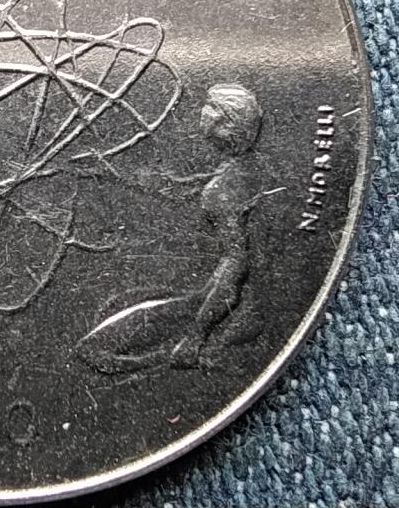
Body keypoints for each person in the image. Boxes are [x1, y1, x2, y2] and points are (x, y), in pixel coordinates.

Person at [77, 83, 264, 372]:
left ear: (224, 123)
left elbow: (235, 265)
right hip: (207, 294)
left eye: (211, 107)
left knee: (93, 349)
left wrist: (196, 336)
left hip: (211, 304)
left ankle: (171, 359)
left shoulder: (223, 190)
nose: (202, 112)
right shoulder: (244, 170)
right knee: (124, 306)